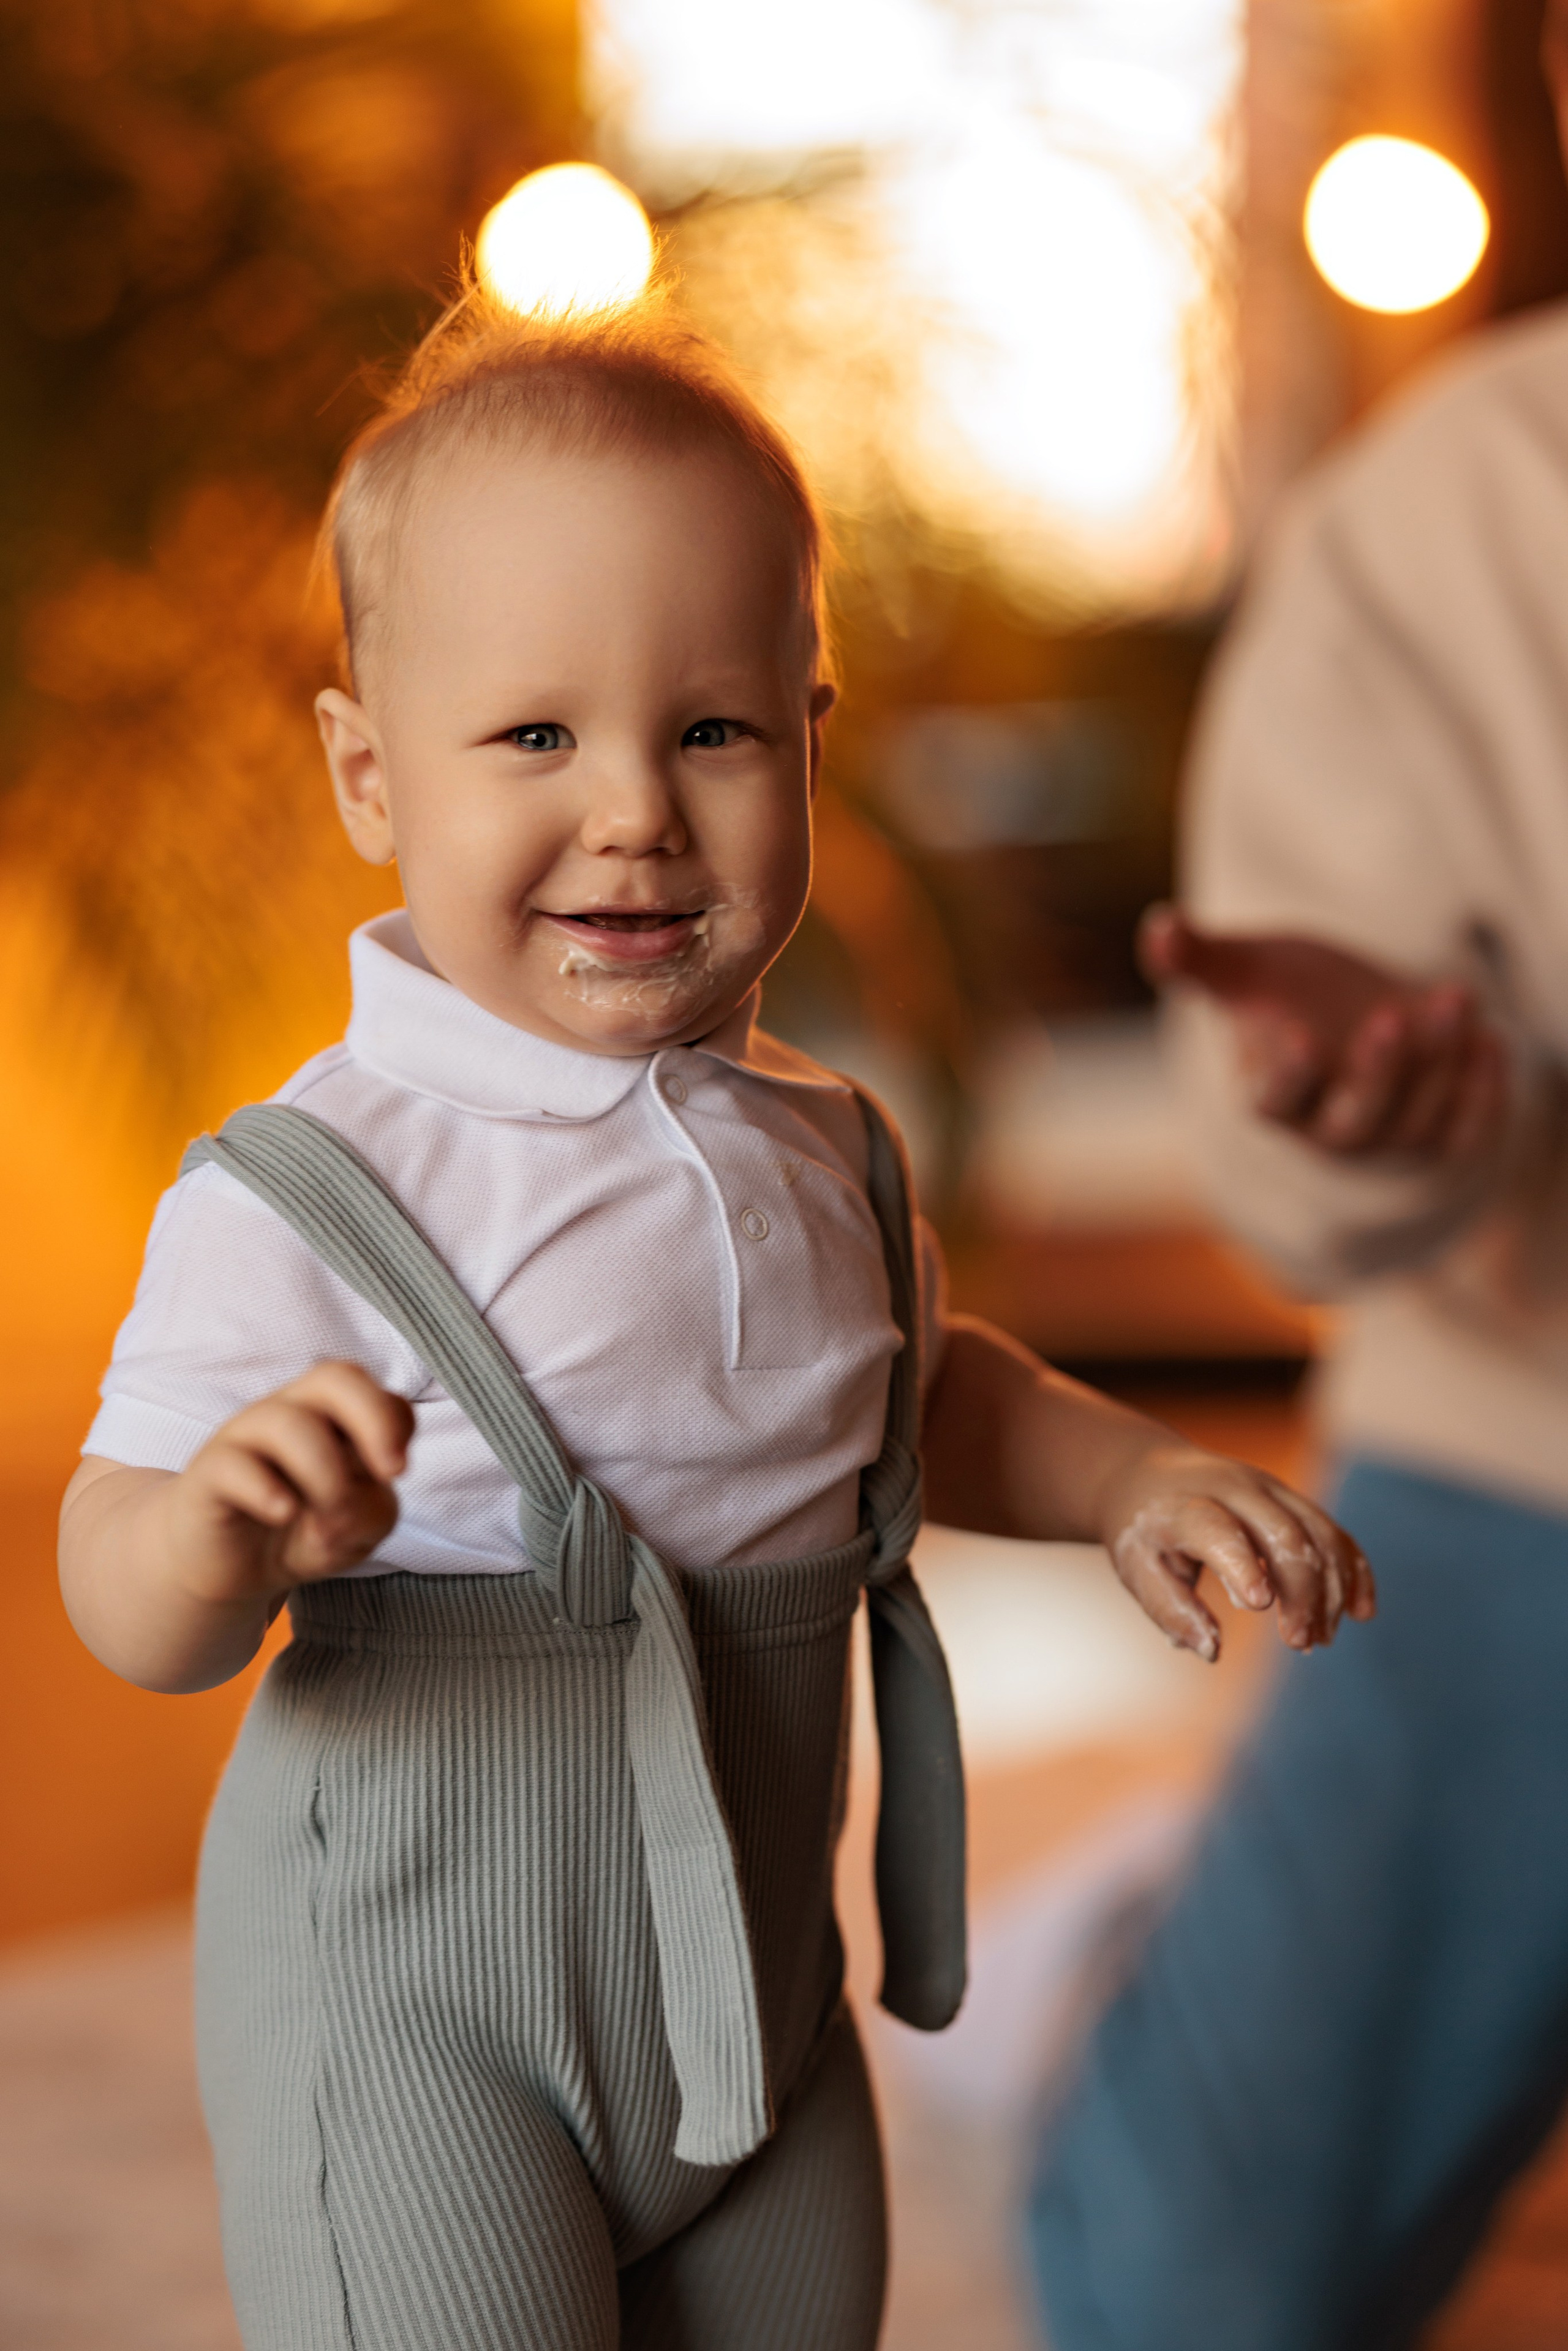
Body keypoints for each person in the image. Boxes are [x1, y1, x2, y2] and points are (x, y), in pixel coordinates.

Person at [55, 290, 1365, 2351]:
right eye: (535, 736)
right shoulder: (318, 1183)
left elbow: (925, 1393)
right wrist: (211, 1530)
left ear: (811, 745)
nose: (639, 809)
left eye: (715, 729)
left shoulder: (825, 1145)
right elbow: (117, 1583)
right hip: (411, 2008)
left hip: (755, 2002)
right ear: (370, 776)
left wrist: (1142, 1472)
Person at [1028, 26, 1568, 2339]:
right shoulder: (1453, 517)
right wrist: (1383, 1109)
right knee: (1187, 2288)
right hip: (1526, 1484)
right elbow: (1294, 1138)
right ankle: (1123, 1948)